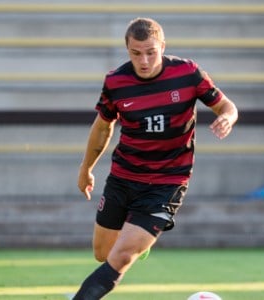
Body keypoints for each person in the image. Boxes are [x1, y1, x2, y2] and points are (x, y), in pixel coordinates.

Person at [73, 17, 238, 299]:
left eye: (151, 52)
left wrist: (227, 117)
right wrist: (86, 168)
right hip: (124, 176)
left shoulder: (188, 73)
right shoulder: (116, 81)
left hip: (167, 181)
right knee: (103, 253)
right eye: (136, 53)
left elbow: (226, 105)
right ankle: (142, 242)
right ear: (128, 50)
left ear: (162, 46)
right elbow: (103, 126)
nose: (145, 60)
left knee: (122, 256)